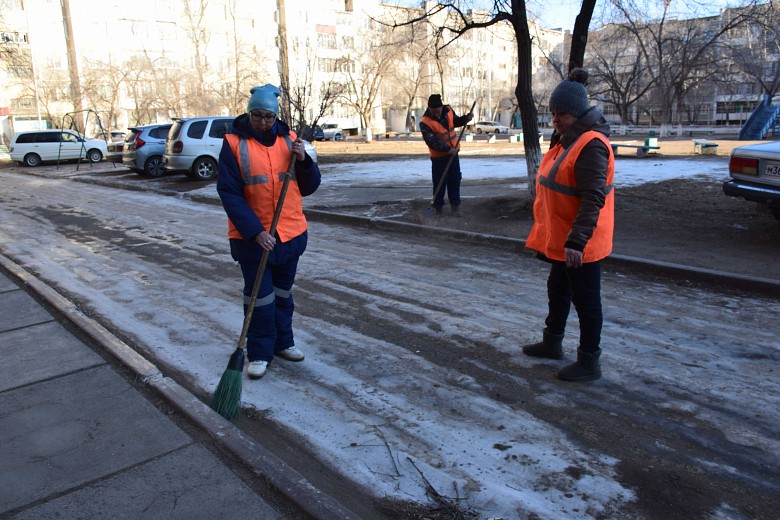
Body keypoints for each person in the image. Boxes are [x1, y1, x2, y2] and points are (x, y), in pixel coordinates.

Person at [217, 84, 321, 380]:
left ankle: (283, 343)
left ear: (276, 117)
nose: (263, 122)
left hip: (290, 235)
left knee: (283, 295)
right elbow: (229, 193)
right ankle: (260, 352)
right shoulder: (234, 144)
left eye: (268, 117)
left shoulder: (290, 140)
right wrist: (254, 232)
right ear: (249, 114)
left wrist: (304, 160)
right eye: (258, 116)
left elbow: (310, 186)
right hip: (254, 240)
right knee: (259, 299)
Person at [522, 68, 614, 382]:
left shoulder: (591, 145)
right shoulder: (566, 139)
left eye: (560, 114)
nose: (555, 120)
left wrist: (577, 241)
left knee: (586, 300)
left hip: (581, 242)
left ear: (577, 113)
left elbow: (593, 198)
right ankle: (552, 343)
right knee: (557, 289)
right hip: (563, 237)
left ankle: (589, 362)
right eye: (552, 114)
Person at [419, 94, 473, 215]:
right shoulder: (425, 122)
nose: (436, 115)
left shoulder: (448, 110)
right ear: (429, 109)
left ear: (442, 107)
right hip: (439, 158)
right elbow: (431, 142)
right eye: (434, 113)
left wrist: (466, 119)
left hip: (453, 155)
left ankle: (455, 207)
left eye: (438, 112)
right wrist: (448, 149)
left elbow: (456, 122)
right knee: (439, 183)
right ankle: (438, 209)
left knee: (455, 180)